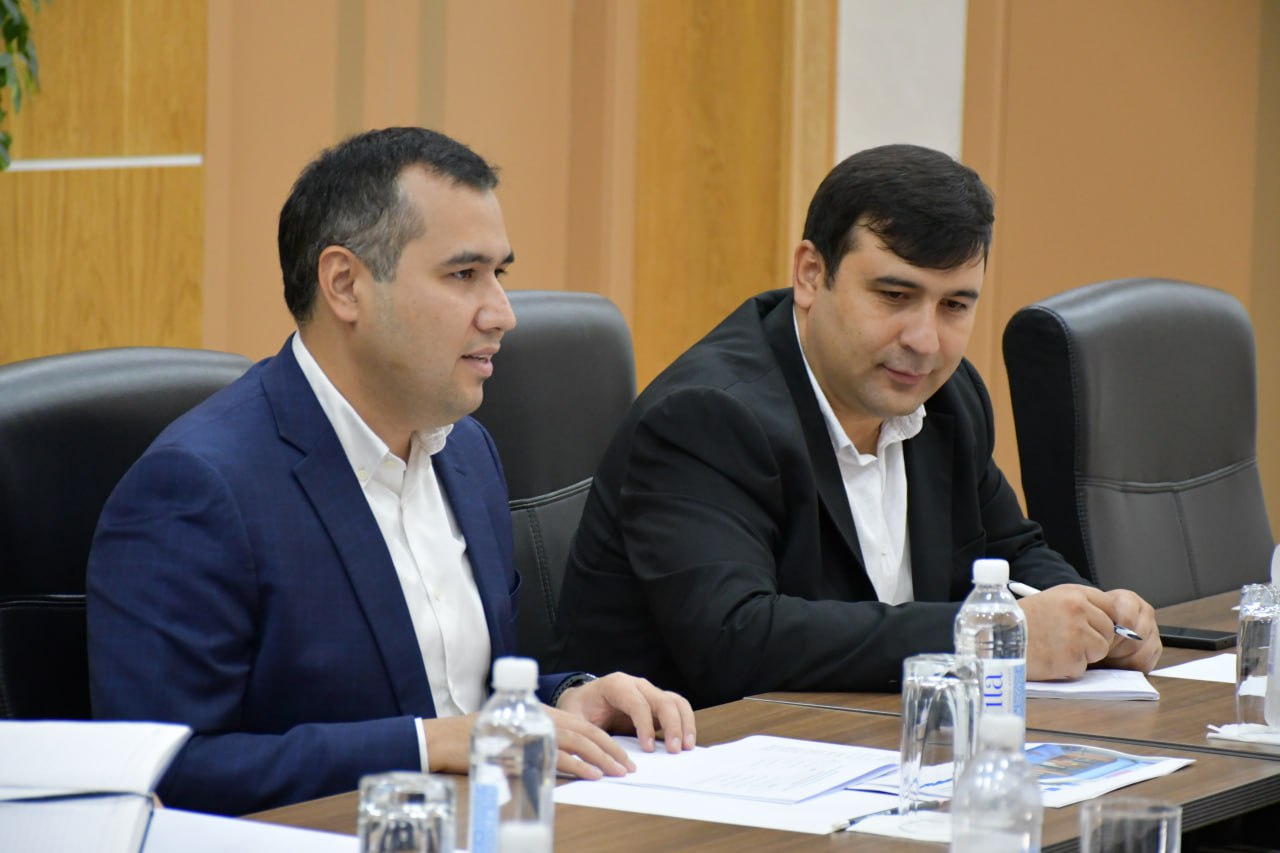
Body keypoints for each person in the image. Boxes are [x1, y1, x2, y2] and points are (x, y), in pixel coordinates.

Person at [87, 127, 694, 816]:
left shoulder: (467, 453)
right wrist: (423, 745)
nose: (502, 313)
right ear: (345, 285)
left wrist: (563, 698)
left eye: (500, 274)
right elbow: (168, 770)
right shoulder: (197, 488)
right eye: (463, 275)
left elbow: (458, 695)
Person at [551, 144, 1162, 709]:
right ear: (811, 274)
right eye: (894, 295)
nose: (924, 341)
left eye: (954, 305)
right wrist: (990, 636)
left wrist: (1094, 617)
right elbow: (737, 640)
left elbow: (1010, 551)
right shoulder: (708, 416)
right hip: (685, 762)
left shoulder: (949, 398)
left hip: (869, 739)